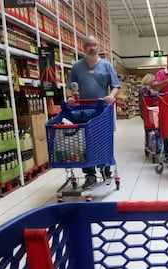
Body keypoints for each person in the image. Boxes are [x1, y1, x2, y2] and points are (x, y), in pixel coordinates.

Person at [66, 35, 120, 189]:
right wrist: (70, 97)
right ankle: (89, 174)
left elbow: (116, 86)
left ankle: (105, 170)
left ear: (99, 47)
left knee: (103, 140)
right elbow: (69, 85)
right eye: (88, 45)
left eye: (95, 45)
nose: (92, 48)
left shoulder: (107, 66)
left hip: (101, 110)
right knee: (85, 142)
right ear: (83, 48)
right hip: (83, 110)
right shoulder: (77, 67)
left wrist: (110, 96)